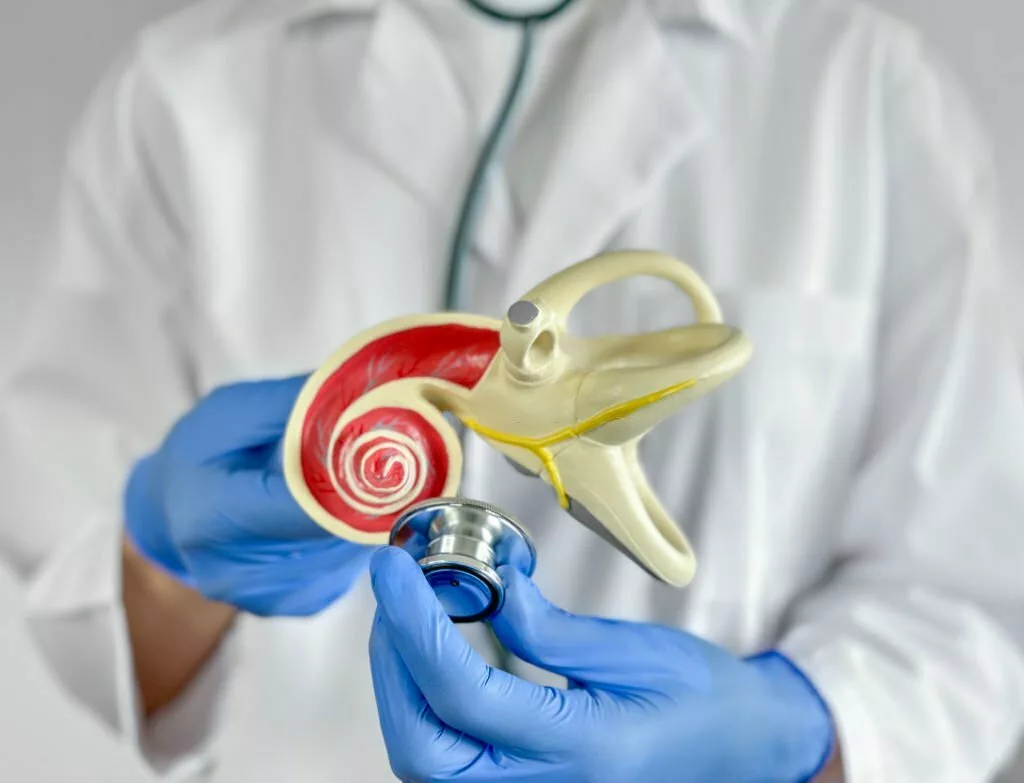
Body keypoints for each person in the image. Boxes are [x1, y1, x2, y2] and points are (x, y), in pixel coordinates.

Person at [2, 0, 1023, 780]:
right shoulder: (194, 91)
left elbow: (974, 592)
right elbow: (82, 611)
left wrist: (792, 729)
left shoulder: (860, 86)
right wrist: (172, 561)